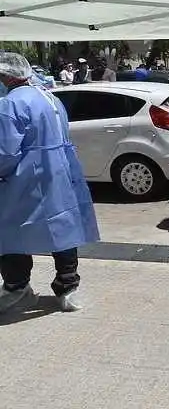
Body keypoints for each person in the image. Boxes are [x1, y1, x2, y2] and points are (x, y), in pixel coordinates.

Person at [0, 52, 100, 313]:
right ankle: (68, 287)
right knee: (63, 226)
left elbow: (5, 152)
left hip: (24, 177)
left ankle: (17, 287)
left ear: (8, 76)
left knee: (10, 231)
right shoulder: (50, 97)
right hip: (59, 171)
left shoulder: (10, 104)